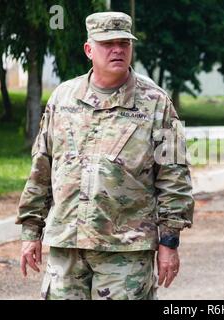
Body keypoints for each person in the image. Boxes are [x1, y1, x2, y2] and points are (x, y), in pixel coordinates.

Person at [16, 11, 194, 300]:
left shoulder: (156, 103)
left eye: (124, 43)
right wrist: (30, 232)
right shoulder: (63, 98)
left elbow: (175, 177)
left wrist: (169, 242)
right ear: (89, 49)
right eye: (107, 43)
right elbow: (42, 167)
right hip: (67, 245)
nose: (117, 50)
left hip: (125, 250)